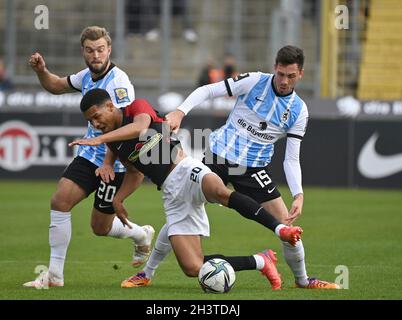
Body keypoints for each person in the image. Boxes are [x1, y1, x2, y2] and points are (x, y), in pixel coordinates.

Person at [141, 45, 340, 289]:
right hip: (218, 157)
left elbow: (291, 158)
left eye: (290, 76)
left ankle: (302, 280)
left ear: (301, 75)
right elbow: (207, 90)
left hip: (253, 169)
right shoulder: (255, 81)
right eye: (280, 74)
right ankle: (146, 273)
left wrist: (298, 193)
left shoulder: (299, 111)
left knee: (287, 227)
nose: (284, 81)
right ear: (274, 69)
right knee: (182, 209)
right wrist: (181, 112)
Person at [69, 88, 303, 290]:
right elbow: (134, 172)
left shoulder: (135, 108)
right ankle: (260, 261)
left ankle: (280, 229)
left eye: (96, 116)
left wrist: (98, 140)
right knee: (193, 267)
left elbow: (141, 128)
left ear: (110, 106)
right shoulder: (113, 142)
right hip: (171, 193)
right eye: (90, 122)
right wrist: (118, 199)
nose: (95, 124)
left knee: (220, 192)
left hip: (185, 168)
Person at [23, 26, 154, 288]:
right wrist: (41, 72)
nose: (96, 55)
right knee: (60, 201)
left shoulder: (119, 83)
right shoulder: (86, 76)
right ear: (83, 51)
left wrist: (108, 162)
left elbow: (122, 124)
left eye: (101, 49)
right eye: (90, 50)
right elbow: (58, 86)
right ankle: (55, 276)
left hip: (115, 161)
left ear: (109, 49)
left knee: (100, 228)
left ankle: (141, 234)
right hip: (89, 154)